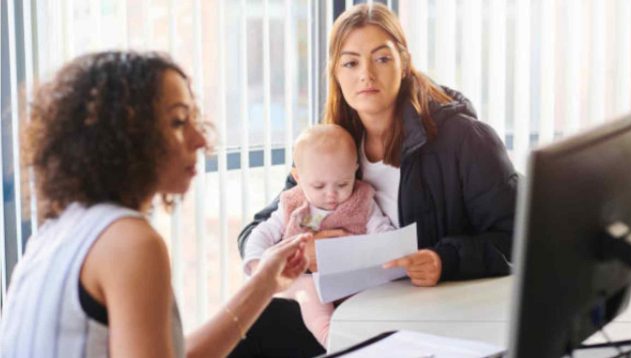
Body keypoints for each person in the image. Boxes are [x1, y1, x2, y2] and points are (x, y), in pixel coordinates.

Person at [235, 2, 517, 356]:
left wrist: (445, 260)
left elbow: (518, 237)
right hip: (345, 308)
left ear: (405, 62)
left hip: (423, 316)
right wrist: (298, 254)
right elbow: (264, 224)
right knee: (245, 334)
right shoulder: (333, 143)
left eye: (381, 59)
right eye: (351, 62)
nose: (366, 74)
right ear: (336, 73)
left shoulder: (464, 140)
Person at [0, 51, 309, 358]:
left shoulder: (56, 233)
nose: (201, 139)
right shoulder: (131, 243)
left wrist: (265, 282)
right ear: (125, 137)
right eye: (178, 122)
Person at [242, 124, 394, 346]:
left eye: (343, 184)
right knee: (308, 289)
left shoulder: (362, 202)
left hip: (350, 280)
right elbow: (261, 233)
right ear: (298, 177)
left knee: (372, 297)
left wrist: (385, 250)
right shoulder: (292, 203)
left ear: (355, 170)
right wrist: (258, 265)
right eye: (319, 186)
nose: (331, 194)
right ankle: (328, 336)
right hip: (302, 280)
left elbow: (382, 232)